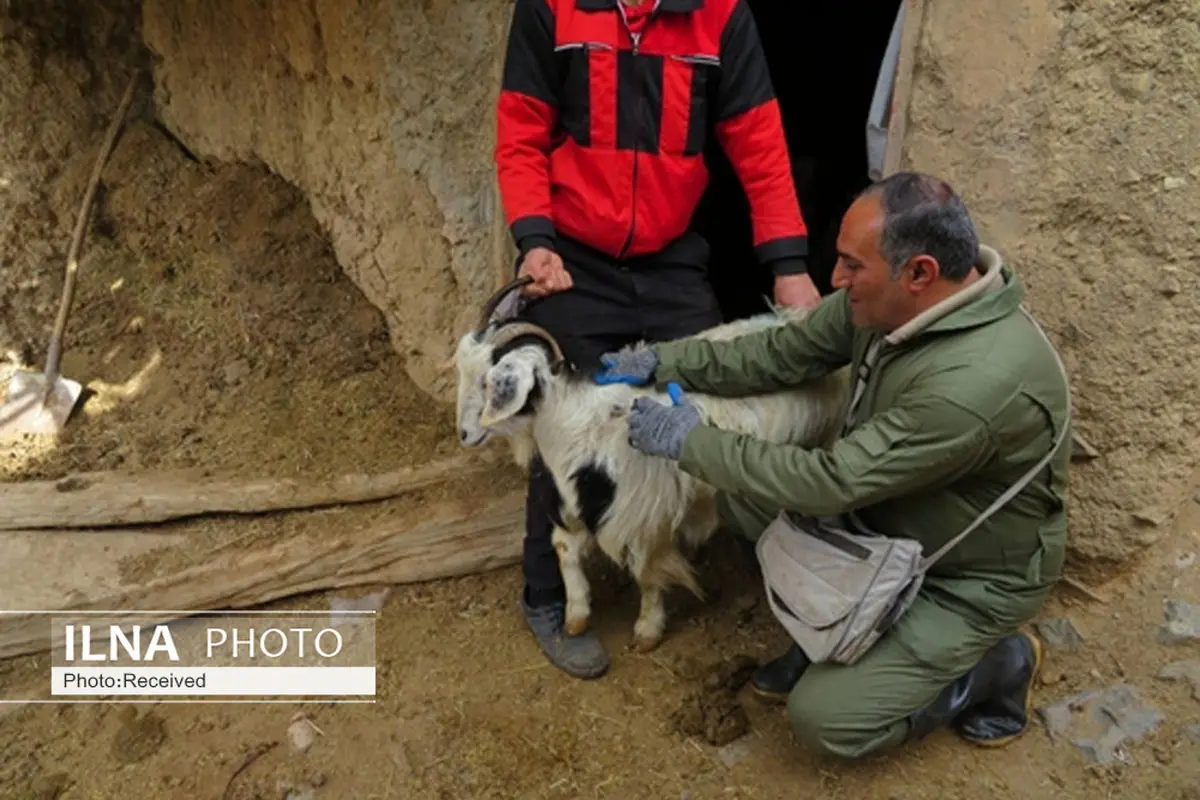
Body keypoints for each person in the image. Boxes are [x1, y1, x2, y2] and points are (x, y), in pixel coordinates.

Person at [594, 171, 1071, 757]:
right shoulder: (893, 306)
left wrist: (688, 441)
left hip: (960, 577)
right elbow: (781, 352)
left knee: (828, 720)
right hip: (888, 521)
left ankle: (997, 666)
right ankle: (833, 631)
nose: (834, 278)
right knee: (744, 497)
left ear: (919, 272)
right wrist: (664, 361)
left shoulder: (972, 384)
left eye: (851, 265)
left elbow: (834, 482)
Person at [493, 0, 822, 679]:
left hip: (672, 256)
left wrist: (789, 268)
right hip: (573, 260)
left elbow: (759, 144)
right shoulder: (550, 8)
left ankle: (683, 556)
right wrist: (535, 240)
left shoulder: (721, 16)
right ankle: (548, 595)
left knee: (705, 397)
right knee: (566, 423)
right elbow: (521, 132)